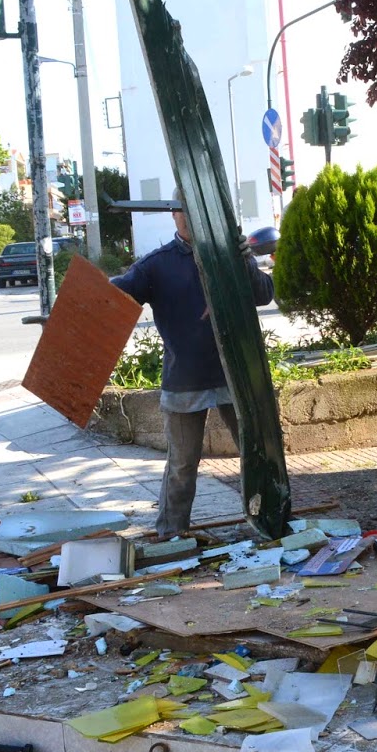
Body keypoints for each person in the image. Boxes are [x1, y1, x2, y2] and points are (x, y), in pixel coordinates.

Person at [111, 201, 274, 539]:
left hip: (235, 376)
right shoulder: (156, 265)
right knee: (183, 465)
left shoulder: (229, 254)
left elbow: (263, 295)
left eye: (197, 207)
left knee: (257, 456)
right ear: (174, 214)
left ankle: (269, 521)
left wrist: (246, 261)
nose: (192, 215)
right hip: (185, 379)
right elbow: (113, 296)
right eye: (183, 208)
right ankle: (171, 534)